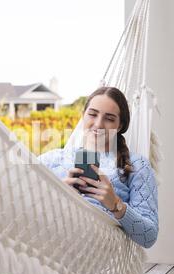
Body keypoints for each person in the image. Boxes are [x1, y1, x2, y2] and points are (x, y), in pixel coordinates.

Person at [37, 87, 158, 249]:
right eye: (92, 114)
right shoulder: (52, 159)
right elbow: (21, 198)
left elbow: (148, 237)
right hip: (47, 243)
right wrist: (59, 194)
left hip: (96, 251)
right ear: (83, 115)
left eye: (109, 118)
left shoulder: (136, 166)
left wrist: (115, 204)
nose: (98, 124)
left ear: (120, 125)